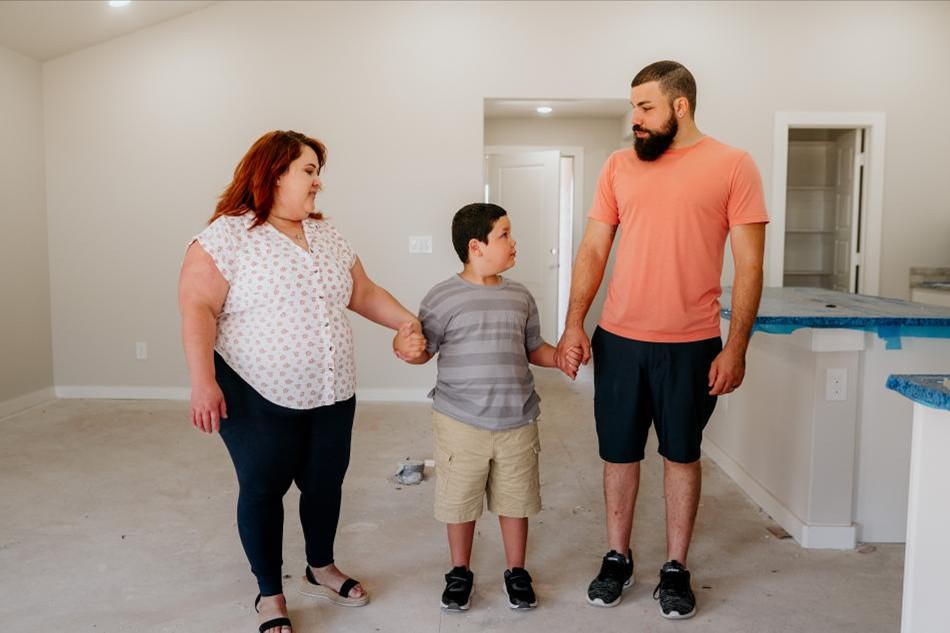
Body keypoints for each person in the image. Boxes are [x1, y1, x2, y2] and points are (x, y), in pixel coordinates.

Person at [178, 130, 426, 633]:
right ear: (274, 172)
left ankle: (321, 566)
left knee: (324, 483)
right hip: (254, 392)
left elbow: (363, 291)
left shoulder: (327, 235)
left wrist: (406, 322)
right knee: (263, 489)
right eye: (309, 171)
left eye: (317, 172)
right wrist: (203, 381)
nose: (318, 183)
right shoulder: (225, 236)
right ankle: (270, 594)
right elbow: (197, 308)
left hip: (333, 390)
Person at [555, 61, 769, 620]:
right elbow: (594, 249)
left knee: (682, 455)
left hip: (693, 343)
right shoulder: (618, 166)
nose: (635, 120)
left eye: (645, 107)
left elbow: (749, 267)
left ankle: (675, 567)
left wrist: (736, 345)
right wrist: (575, 322)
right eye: (633, 108)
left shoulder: (733, 165)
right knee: (618, 455)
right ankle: (617, 556)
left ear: (680, 107)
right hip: (619, 341)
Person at [395, 203, 580, 611]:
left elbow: (534, 348)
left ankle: (517, 570)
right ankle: (459, 570)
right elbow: (423, 350)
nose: (514, 242)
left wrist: (561, 357)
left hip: (517, 418)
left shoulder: (520, 295)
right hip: (460, 420)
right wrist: (405, 348)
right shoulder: (442, 297)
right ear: (476, 246)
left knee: (516, 501)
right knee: (460, 501)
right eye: (505, 235)